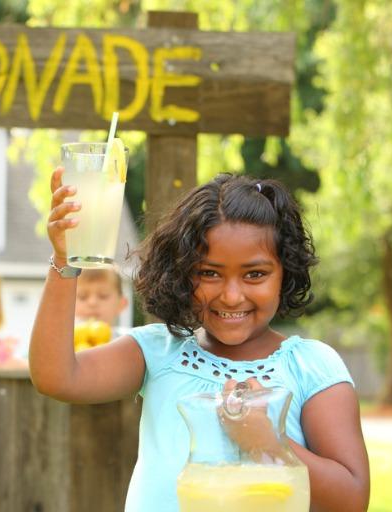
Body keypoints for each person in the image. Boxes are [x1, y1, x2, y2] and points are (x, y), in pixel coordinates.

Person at [31, 172, 370, 511]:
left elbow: (351, 498)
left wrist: (267, 442)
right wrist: (65, 260)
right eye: (209, 273)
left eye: (255, 274)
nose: (232, 296)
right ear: (180, 272)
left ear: (286, 273)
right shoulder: (156, 353)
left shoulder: (309, 366)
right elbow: (56, 377)